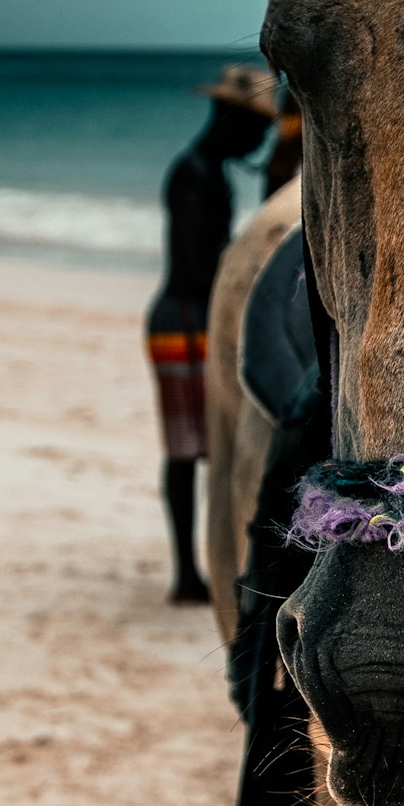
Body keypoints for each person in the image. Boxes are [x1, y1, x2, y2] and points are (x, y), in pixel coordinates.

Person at [146, 64, 274, 604]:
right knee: (187, 449)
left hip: (186, 317)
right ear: (231, 121)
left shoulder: (204, 170)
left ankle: (194, 568)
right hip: (185, 321)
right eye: (255, 128)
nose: (261, 138)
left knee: (195, 448)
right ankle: (185, 573)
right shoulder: (195, 175)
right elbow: (201, 268)